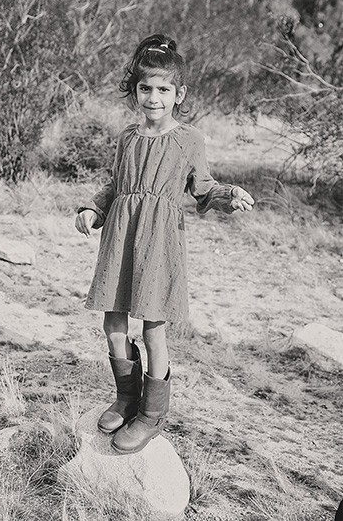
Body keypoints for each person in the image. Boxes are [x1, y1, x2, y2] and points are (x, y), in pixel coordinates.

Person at [74, 34, 254, 455]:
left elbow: (204, 189)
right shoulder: (128, 138)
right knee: (113, 324)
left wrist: (229, 195)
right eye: (145, 88)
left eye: (163, 90)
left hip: (159, 243)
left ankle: (152, 415)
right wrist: (92, 210)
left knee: (154, 330)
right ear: (135, 90)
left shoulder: (189, 140)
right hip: (121, 237)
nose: (153, 98)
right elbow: (116, 185)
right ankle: (126, 397)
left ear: (179, 94)